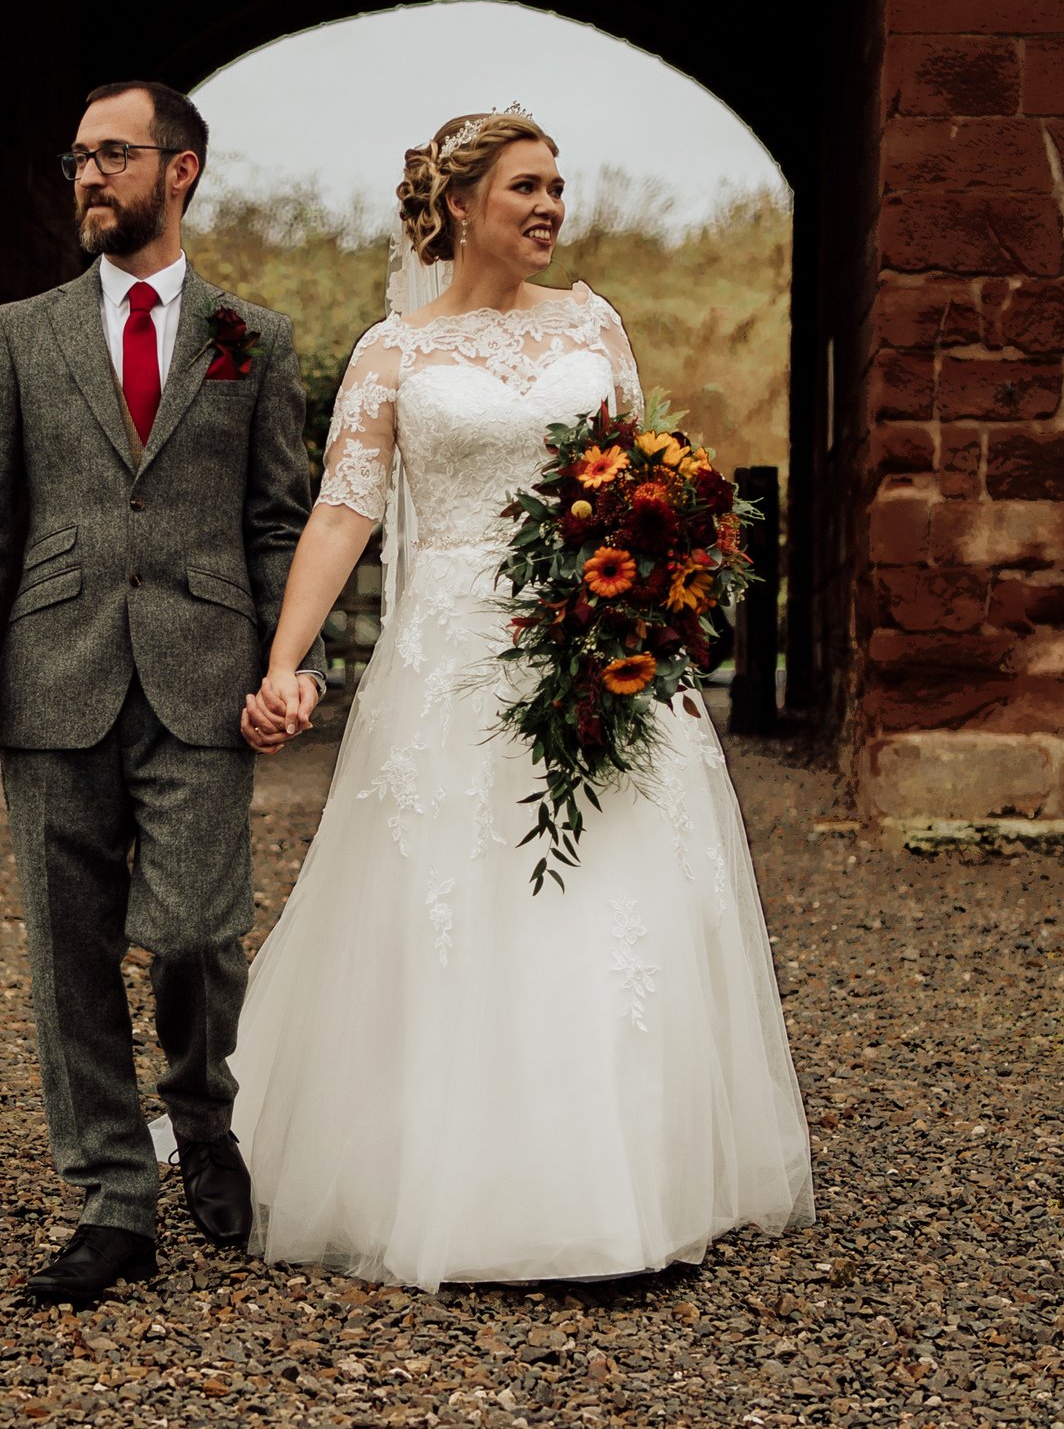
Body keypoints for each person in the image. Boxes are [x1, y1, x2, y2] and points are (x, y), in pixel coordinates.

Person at [229, 108, 815, 1290]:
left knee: (609, 896)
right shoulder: (393, 353)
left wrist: (656, 617)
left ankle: (617, 1190)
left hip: (591, 640)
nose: (550, 207)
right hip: (448, 658)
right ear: (459, 206)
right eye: (525, 187)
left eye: (558, 186)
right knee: (458, 895)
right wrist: (283, 661)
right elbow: (344, 512)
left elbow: (633, 484)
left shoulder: (594, 324)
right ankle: (464, 1184)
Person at [0, 80, 326, 1305]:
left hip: (204, 675)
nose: (88, 177)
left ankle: (202, 1120)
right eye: (77, 159)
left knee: (202, 929)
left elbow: (279, 521)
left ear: (181, 170)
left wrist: (288, 664)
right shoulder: (22, 331)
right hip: (53, 671)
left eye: (113, 155)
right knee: (72, 950)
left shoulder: (247, 339)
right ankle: (112, 1196)